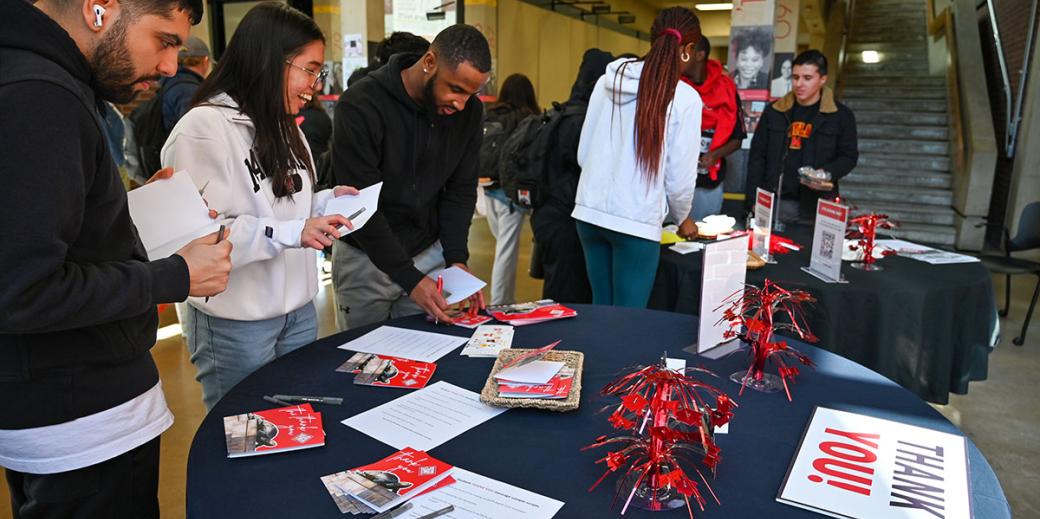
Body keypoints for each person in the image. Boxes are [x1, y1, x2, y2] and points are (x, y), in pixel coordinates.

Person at [0, 0, 232, 516]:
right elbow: (22, 290)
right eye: (164, 40)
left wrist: (126, 213)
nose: (172, 66)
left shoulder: (44, 84)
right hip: (78, 421)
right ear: (98, 9)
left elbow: (49, 235)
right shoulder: (38, 96)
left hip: (73, 409)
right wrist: (176, 276)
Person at [162, 2, 357, 409]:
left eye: (319, 72)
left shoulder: (285, 125)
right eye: (309, 69)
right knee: (243, 431)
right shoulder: (204, 129)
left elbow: (283, 206)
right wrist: (294, 232)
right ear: (270, 60)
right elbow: (203, 236)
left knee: (296, 427)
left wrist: (326, 202)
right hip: (237, 323)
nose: (315, 85)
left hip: (298, 311)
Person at [330, 24, 490, 329]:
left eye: (472, 94)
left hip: (427, 252)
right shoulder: (361, 104)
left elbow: (460, 190)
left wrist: (457, 259)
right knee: (362, 359)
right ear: (429, 62)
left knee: (428, 349)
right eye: (455, 88)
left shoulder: (468, 114)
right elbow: (361, 205)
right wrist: (409, 278)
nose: (461, 103)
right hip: (365, 255)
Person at [572, 7, 703, 308]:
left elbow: (584, 152)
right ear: (689, 50)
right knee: (628, 319)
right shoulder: (684, 98)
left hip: (589, 213)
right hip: (635, 221)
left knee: (601, 309)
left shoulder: (608, 81)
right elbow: (679, 178)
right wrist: (683, 217)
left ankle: (596, 357)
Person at [532, 48, 614, 305]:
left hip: (546, 214)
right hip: (567, 219)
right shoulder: (587, 119)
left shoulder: (560, 111)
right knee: (570, 295)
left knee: (556, 289)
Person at [746, 49, 859, 223]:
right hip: (775, 201)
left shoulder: (840, 115)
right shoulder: (775, 111)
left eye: (807, 78)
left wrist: (826, 173)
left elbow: (849, 156)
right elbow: (757, 156)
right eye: (795, 77)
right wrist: (753, 199)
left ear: (822, 79)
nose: (799, 84)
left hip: (817, 204)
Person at [483, 73, 540, 304]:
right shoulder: (526, 119)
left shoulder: (491, 114)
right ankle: (500, 303)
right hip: (511, 198)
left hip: (488, 191)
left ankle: (503, 298)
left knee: (502, 247)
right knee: (506, 253)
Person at [681, 36, 746, 221]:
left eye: (687, 51)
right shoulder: (675, 86)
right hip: (673, 181)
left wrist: (714, 155)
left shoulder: (726, 89)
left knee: (703, 240)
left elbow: (737, 138)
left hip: (708, 182)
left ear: (700, 55)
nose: (681, 55)